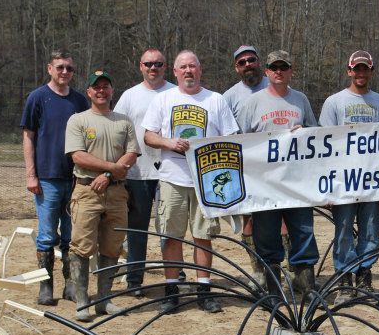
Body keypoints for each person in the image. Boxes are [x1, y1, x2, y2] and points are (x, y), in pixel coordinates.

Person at [143, 50, 239, 314]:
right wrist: (168, 142)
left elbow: (232, 137)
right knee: (171, 236)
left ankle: (203, 290)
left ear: (200, 70)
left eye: (192, 66)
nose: (188, 71)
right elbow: (149, 136)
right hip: (172, 179)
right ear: (175, 72)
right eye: (183, 67)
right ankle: (171, 291)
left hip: (206, 181)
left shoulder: (216, 100)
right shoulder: (164, 100)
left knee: (203, 236)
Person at [237, 50, 319, 296]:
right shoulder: (253, 103)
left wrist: (303, 131)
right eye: (274, 68)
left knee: (303, 230)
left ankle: (305, 284)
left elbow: (316, 134)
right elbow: (241, 142)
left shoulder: (300, 100)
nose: (279, 72)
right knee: (266, 234)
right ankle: (272, 286)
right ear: (267, 72)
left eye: (284, 67)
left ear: (291, 71)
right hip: (265, 183)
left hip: (297, 181)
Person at [64, 70, 140, 321]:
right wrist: (109, 168)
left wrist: (108, 176)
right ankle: (83, 300)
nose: (101, 91)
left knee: (112, 246)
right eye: (96, 87)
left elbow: (131, 153)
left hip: (117, 193)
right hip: (86, 192)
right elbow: (78, 156)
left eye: (106, 86)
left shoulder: (123, 121)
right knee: (82, 246)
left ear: (111, 91)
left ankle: (104, 301)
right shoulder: (78, 120)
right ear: (89, 92)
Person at [318, 50, 379, 302]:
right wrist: (327, 187)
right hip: (342, 180)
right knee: (343, 231)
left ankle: (364, 276)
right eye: (356, 69)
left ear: (371, 71)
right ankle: (344, 280)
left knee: (371, 230)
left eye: (365, 69)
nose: (361, 73)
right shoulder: (334, 102)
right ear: (349, 71)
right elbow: (323, 146)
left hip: (371, 179)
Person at [21, 49, 89, 306]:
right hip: (47, 178)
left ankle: (70, 286)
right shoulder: (38, 98)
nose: (64, 72)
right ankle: (45, 287)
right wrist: (31, 175)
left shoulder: (79, 101)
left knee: (71, 236)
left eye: (69, 68)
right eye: (59, 67)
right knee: (47, 235)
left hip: (75, 179)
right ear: (50, 68)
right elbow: (28, 137)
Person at [113, 48, 174, 296]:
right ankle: (134, 280)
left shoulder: (175, 92)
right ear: (140, 66)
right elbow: (118, 130)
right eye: (148, 64)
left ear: (165, 66)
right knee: (137, 229)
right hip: (138, 173)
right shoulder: (129, 96)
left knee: (169, 228)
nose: (153, 68)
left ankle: (175, 277)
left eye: (158, 64)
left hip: (170, 172)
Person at [223, 44, 272, 279]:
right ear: (236, 68)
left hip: (274, 164)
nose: (247, 65)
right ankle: (258, 272)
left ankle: (281, 271)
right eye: (241, 63)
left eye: (251, 60)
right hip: (244, 166)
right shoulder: (229, 97)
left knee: (279, 216)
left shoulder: (276, 86)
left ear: (258, 61)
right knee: (249, 218)